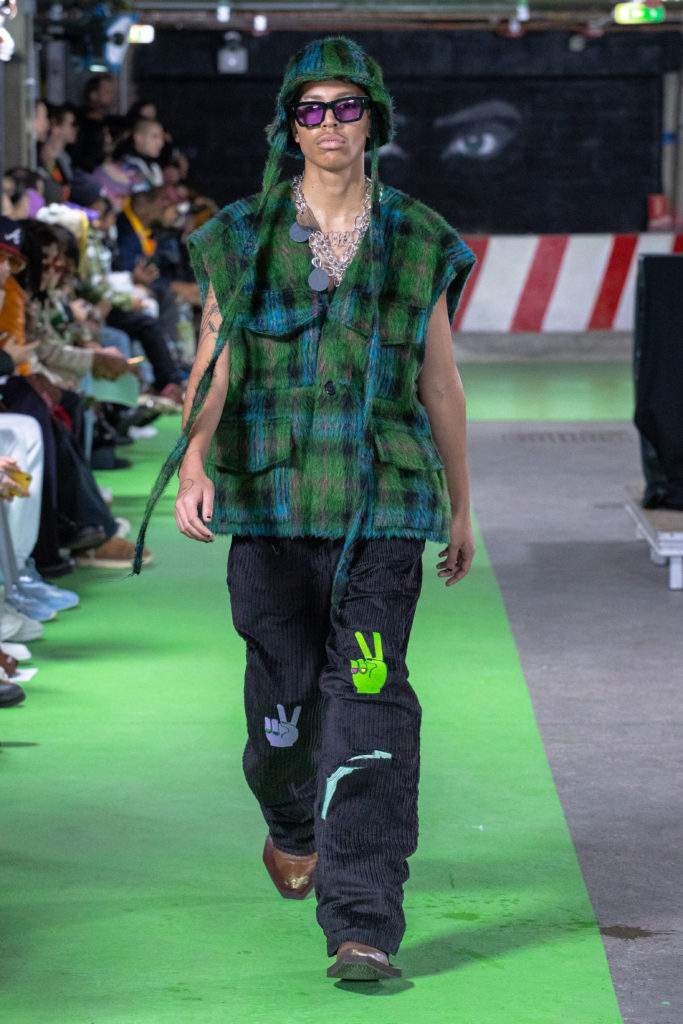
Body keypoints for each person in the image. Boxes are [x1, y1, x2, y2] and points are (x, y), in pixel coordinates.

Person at [135, 36, 475, 981]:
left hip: (382, 509)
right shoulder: (240, 237)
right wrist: (194, 459)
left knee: (369, 703)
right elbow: (214, 364)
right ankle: (291, 819)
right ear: (290, 127)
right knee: (282, 712)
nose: (329, 124)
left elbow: (439, 383)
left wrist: (459, 506)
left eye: (346, 106)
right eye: (311, 110)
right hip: (272, 508)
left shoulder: (418, 239)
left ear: (374, 120)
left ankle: (362, 920)